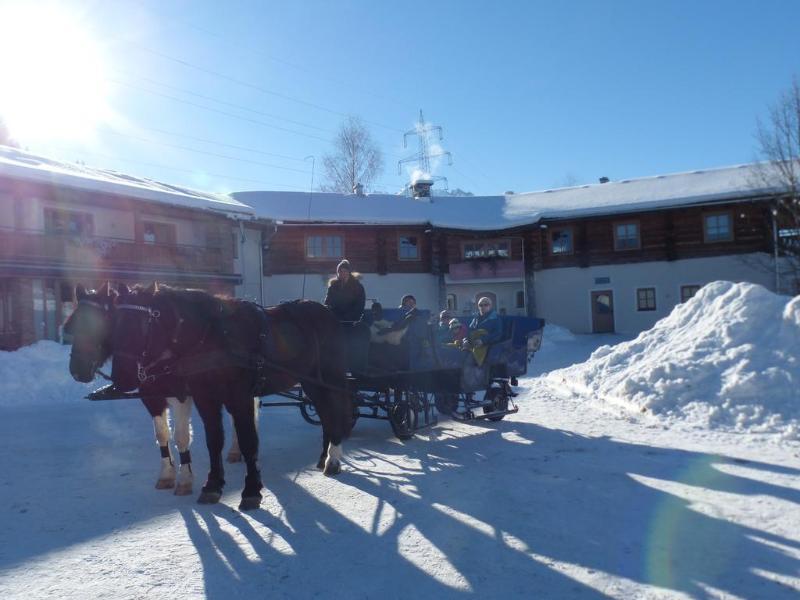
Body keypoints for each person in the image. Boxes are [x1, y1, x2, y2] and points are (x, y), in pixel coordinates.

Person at [462, 297, 503, 365]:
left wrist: (483, 341)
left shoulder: (496, 319)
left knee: (473, 357)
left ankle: (478, 371)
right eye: (480, 305)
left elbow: (497, 334)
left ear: (490, 306)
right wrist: (466, 340)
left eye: (486, 304)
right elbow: (469, 331)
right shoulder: (476, 318)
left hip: (487, 345)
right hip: (473, 342)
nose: (483, 307)